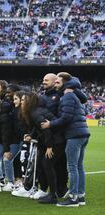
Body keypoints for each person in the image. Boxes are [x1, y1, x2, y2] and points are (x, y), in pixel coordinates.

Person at [41, 73, 90, 207]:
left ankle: (73, 198)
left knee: (72, 167)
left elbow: (66, 118)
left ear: (65, 83)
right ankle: (80, 196)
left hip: (74, 135)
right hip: (82, 133)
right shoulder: (72, 94)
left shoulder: (68, 96)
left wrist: (50, 124)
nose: (55, 84)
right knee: (79, 167)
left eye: (57, 82)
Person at [20, 92, 66, 204]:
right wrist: (31, 135)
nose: (21, 102)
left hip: (57, 141)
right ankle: (51, 193)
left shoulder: (35, 113)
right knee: (45, 164)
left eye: (23, 100)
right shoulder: (35, 111)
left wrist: (49, 146)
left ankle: (53, 195)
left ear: (29, 102)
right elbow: (38, 129)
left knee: (47, 164)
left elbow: (46, 129)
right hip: (55, 140)